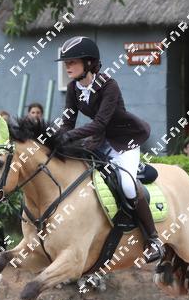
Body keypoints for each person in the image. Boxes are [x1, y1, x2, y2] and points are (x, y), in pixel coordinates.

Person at [56, 36, 163, 262]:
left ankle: (153, 239)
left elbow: (99, 124)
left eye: (72, 62)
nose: (67, 66)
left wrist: (69, 136)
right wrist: (53, 137)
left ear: (88, 63)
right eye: (66, 62)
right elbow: (67, 123)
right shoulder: (74, 88)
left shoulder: (108, 85)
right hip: (100, 142)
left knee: (128, 186)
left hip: (125, 141)